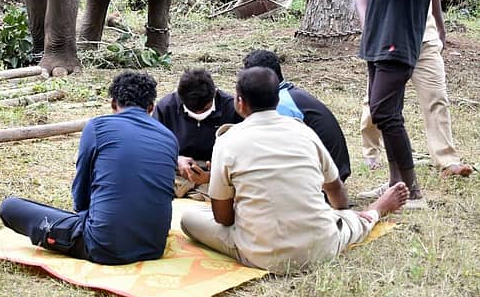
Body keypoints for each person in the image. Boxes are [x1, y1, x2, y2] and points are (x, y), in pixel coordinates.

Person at [180, 67, 409, 274]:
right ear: (277, 99)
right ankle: (374, 212)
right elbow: (336, 189)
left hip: (259, 254)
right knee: (350, 223)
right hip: (322, 247)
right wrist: (340, 214)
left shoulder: (227, 141)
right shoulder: (304, 132)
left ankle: (359, 215)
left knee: (189, 219)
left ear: (239, 102)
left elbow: (223, 217)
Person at [0, 71, 178, 265]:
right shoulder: (169, 137)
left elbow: (81, 191)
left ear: (113, 104)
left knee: (10, 207)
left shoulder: (97, 127)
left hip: (104, 247)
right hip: (153, 247)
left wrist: (88, 217)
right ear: (151, 107)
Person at [357, 0, 472, 180]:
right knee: (377, 105)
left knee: (435, 97)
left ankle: (446, 161)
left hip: (423, 36)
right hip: (385, 35)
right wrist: (368, 23)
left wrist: (440, 28)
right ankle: (373, 154)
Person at [350, 0, 444, 206]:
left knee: (383, 110)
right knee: (387, 111)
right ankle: (395, 185)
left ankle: (412, 189)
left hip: (400, 34)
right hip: (376, 33)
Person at [242, 49, 351, 181]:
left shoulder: (281, 104)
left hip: (324, 180)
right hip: (331, 171)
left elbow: (277, 150)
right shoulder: (288, 94)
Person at [153, 68, 242, 199]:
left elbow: (244, 154)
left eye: (204, 109)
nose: (199, 114)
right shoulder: (166, 107)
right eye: (192, 110)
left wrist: (213, 176)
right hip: (176, 173)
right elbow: (154, 147)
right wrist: (176, 159)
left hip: (219, 174)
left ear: (214, 94)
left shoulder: (232, 108)